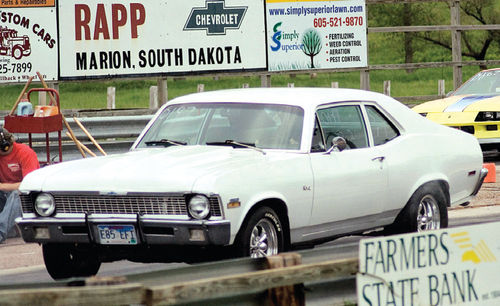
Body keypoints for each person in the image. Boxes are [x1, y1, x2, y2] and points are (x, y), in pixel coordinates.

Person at [0, 127, 39, 243]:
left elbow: (28, 185)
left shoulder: (25, 153)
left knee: (17, 194)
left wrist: (2, 186)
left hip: (27, 199)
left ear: (5, 146)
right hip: (5, 196)